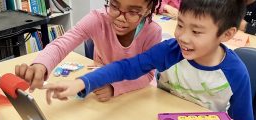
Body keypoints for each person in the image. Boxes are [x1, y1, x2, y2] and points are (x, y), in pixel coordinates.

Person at [43, 0, 255, 120]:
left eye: (196, 31)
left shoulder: (235, 73)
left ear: (226, 34)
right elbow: (126, 67)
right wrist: (82, 83)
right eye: (180, 25)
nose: (182, 37)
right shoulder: (169, 51)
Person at [15, 0, 163, 101]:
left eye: (132, 12)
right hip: (101, 85)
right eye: (114, 6)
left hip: (138, 93)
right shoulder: (98, 19)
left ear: (147, 10)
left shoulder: (152, 32)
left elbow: (148, 75)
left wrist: (115, 87)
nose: (120, 18)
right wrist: (41, 65)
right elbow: (63, 43)